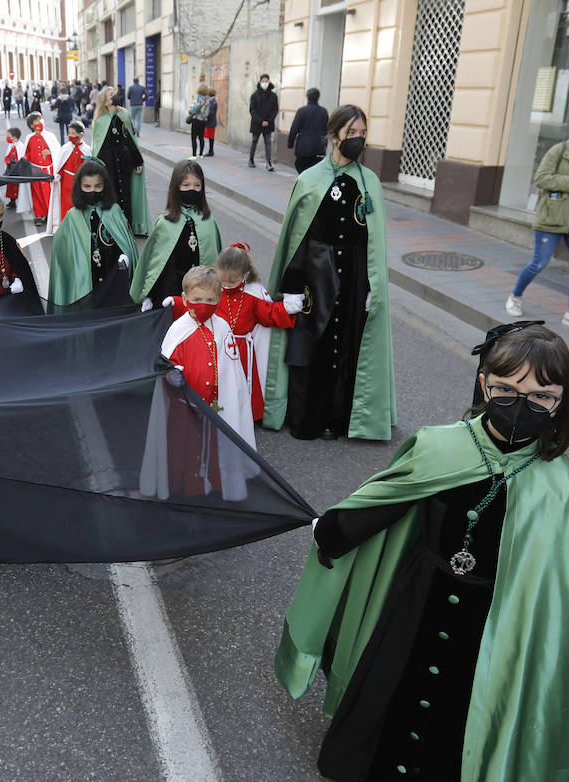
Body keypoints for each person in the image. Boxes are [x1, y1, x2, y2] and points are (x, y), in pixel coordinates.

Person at [278, 323, 569, 782]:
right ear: (484, 381)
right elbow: (388, 499)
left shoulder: (562, 482)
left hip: (496, 623)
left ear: (561, 401)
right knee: (393, 687)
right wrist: (334, 529)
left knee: (464, 711)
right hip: (415, 602)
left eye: (541, 395)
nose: (522, 404)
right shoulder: (441, 445)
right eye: (506, 388)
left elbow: (566, 577)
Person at [264, 104, 395, 442]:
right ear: (334, 135)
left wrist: (372, 286)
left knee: (345, 346)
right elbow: (297, 238)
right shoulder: (309, 180)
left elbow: (373, 244)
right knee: (313, 345)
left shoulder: (369, 184)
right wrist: (291, 285)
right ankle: (307, 418)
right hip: (314, 276)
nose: (358, 139)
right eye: (352, 133)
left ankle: (339, 419)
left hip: (353, 277)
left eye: (363, 134)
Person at [141, 265, 256, 501]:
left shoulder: (223, 327)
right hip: (183, 406)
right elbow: (167, 364)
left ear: (219, 298)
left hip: (215, 407)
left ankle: (213, 486)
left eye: (210, 299)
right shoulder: (178, 329)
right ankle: (183, 489)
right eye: (197, 299)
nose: (203, 304)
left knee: (213, 448)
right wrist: (172, 375)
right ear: (185, 298)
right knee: (184, 447)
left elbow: (230, 369)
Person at [506, 106, 569, 333]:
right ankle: (515, 296)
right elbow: (541, 179)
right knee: (539, 264)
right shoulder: (559, 151)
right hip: (553, 216)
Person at [214, 243, 301, 422]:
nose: (226, 285)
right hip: (218, 346)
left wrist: (288, 308)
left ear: (245, 276)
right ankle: (218, 412)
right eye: (222, 280)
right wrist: (176, 304)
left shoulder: (253, 295)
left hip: (243, 350)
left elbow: (268, 313)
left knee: (241, 383)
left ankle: (245, 416)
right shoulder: (215, 291)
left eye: (232, 281)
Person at [47, 159, 137, 308]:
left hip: (112, 280)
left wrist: (125, 256)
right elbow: (62, 258)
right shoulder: (72, 217)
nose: (92, 191)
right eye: (87, 187)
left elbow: (125, 243)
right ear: (79, 187)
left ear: (105, 187)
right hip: (86, 285)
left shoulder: (114, 211)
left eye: (97, 186)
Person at [136, 160, 222, 309]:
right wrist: (150, 295)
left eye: (197, 185)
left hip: (201, 293)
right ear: (177, 187)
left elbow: (215, 261)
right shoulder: (165, 222)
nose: (192, 189)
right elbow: (157, 263)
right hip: (171, 291)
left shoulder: (208, 221)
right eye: (186, 185)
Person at [92, 86, 149, 235]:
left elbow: (130, 139)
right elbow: (98, 147)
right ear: (105, 102)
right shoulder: (100, 121)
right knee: (113, 195)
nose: (115, 97)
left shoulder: (124, 115)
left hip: (125, 162)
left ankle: (128, 227)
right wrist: (98, 167)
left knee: (127, 194)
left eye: (114, 95)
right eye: (111, 96)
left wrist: (137, 161)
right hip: (108, 164)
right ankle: (112, 228)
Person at [47, 120, 90, 231]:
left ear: (81, 134)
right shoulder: (65, 148)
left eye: (73, 134)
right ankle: (67, 227)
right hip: (67, 182)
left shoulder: (87, 150)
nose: (70, 136)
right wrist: (57, 175)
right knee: (67, 204)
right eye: (69, 133)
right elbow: (61, 165)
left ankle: (80, 227)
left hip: (81, 183)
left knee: (81, 204)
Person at [23, 112, 58, 227]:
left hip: (48, 170)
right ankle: (39, 215)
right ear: (32, 126)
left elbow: (58, 150)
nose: (39, 123)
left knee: (49, 192)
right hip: (35, 170)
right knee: (37, 193)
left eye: (40, 119)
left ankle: (49, 214)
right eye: (36, 121)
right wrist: (24, 159)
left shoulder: (50, 136)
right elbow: (27, 153)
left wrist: (50, 152)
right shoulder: (29, 138)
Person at [287, 88, 329, 173]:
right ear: (318, 98)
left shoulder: (302, 111)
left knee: (302, 167)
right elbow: (327, 129)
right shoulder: (324, 112)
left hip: (303, 146)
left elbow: (294, 128)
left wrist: (290, 143)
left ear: (307, 97)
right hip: (318, 146)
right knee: (315, 170)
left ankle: (305, 184)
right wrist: (325, 144)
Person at [250, 74, 279, 171]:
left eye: (266, 81)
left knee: (268, 143)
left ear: (269, 82)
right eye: (263, 81)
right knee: (254, 141)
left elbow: (275, 109)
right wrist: (260, 121)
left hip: (268, 123)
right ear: (259, 82)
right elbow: (252, 110)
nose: (265, 83)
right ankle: (251, 160)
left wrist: (269, 121)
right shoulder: (254, 95)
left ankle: (268, 163)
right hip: (257, 123)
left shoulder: (273, 96)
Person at [3, 127, 25, 209]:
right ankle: (12, 201)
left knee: (17, 186)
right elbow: (7, 156)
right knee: (11, 185)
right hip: (11, 169)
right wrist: (7, 161)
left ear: (14, 137)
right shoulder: (10, 146)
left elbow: (21, 157)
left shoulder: (20, 146)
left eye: (9, 135)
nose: (8, 137)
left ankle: (18, 201)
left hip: (17, 169)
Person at [203, 86, 219, 157]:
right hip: (212, 122)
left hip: (210, 122)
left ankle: (211, 151)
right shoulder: (214, 101)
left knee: (210, 137)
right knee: (210, 137)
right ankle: (211, 150)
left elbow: (211, 112)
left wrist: (205, 115)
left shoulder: (211, 101)